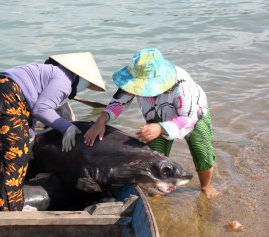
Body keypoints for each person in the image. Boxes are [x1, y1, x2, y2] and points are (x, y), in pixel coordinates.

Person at [84, 48, 219, 199]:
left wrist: (161, 128)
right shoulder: (133, 79)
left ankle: (206, 186)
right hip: (156, 114)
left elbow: (188, 118)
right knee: (155, 156)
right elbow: (119, 102)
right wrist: (101, 120)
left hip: (193, 115)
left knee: (201, 151)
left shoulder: (181, 84)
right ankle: (158, 188)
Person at [0, 52, 105, 211]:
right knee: (17, 155)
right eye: (86, 84)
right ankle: (6, 209)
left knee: (14, 148)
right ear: (78, 76)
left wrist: (30, 135)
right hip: (7, 94)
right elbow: (41, 109)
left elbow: (30, 109)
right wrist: (67, 127)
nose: (82, 89)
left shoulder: (50, 71)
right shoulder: (65, 80)